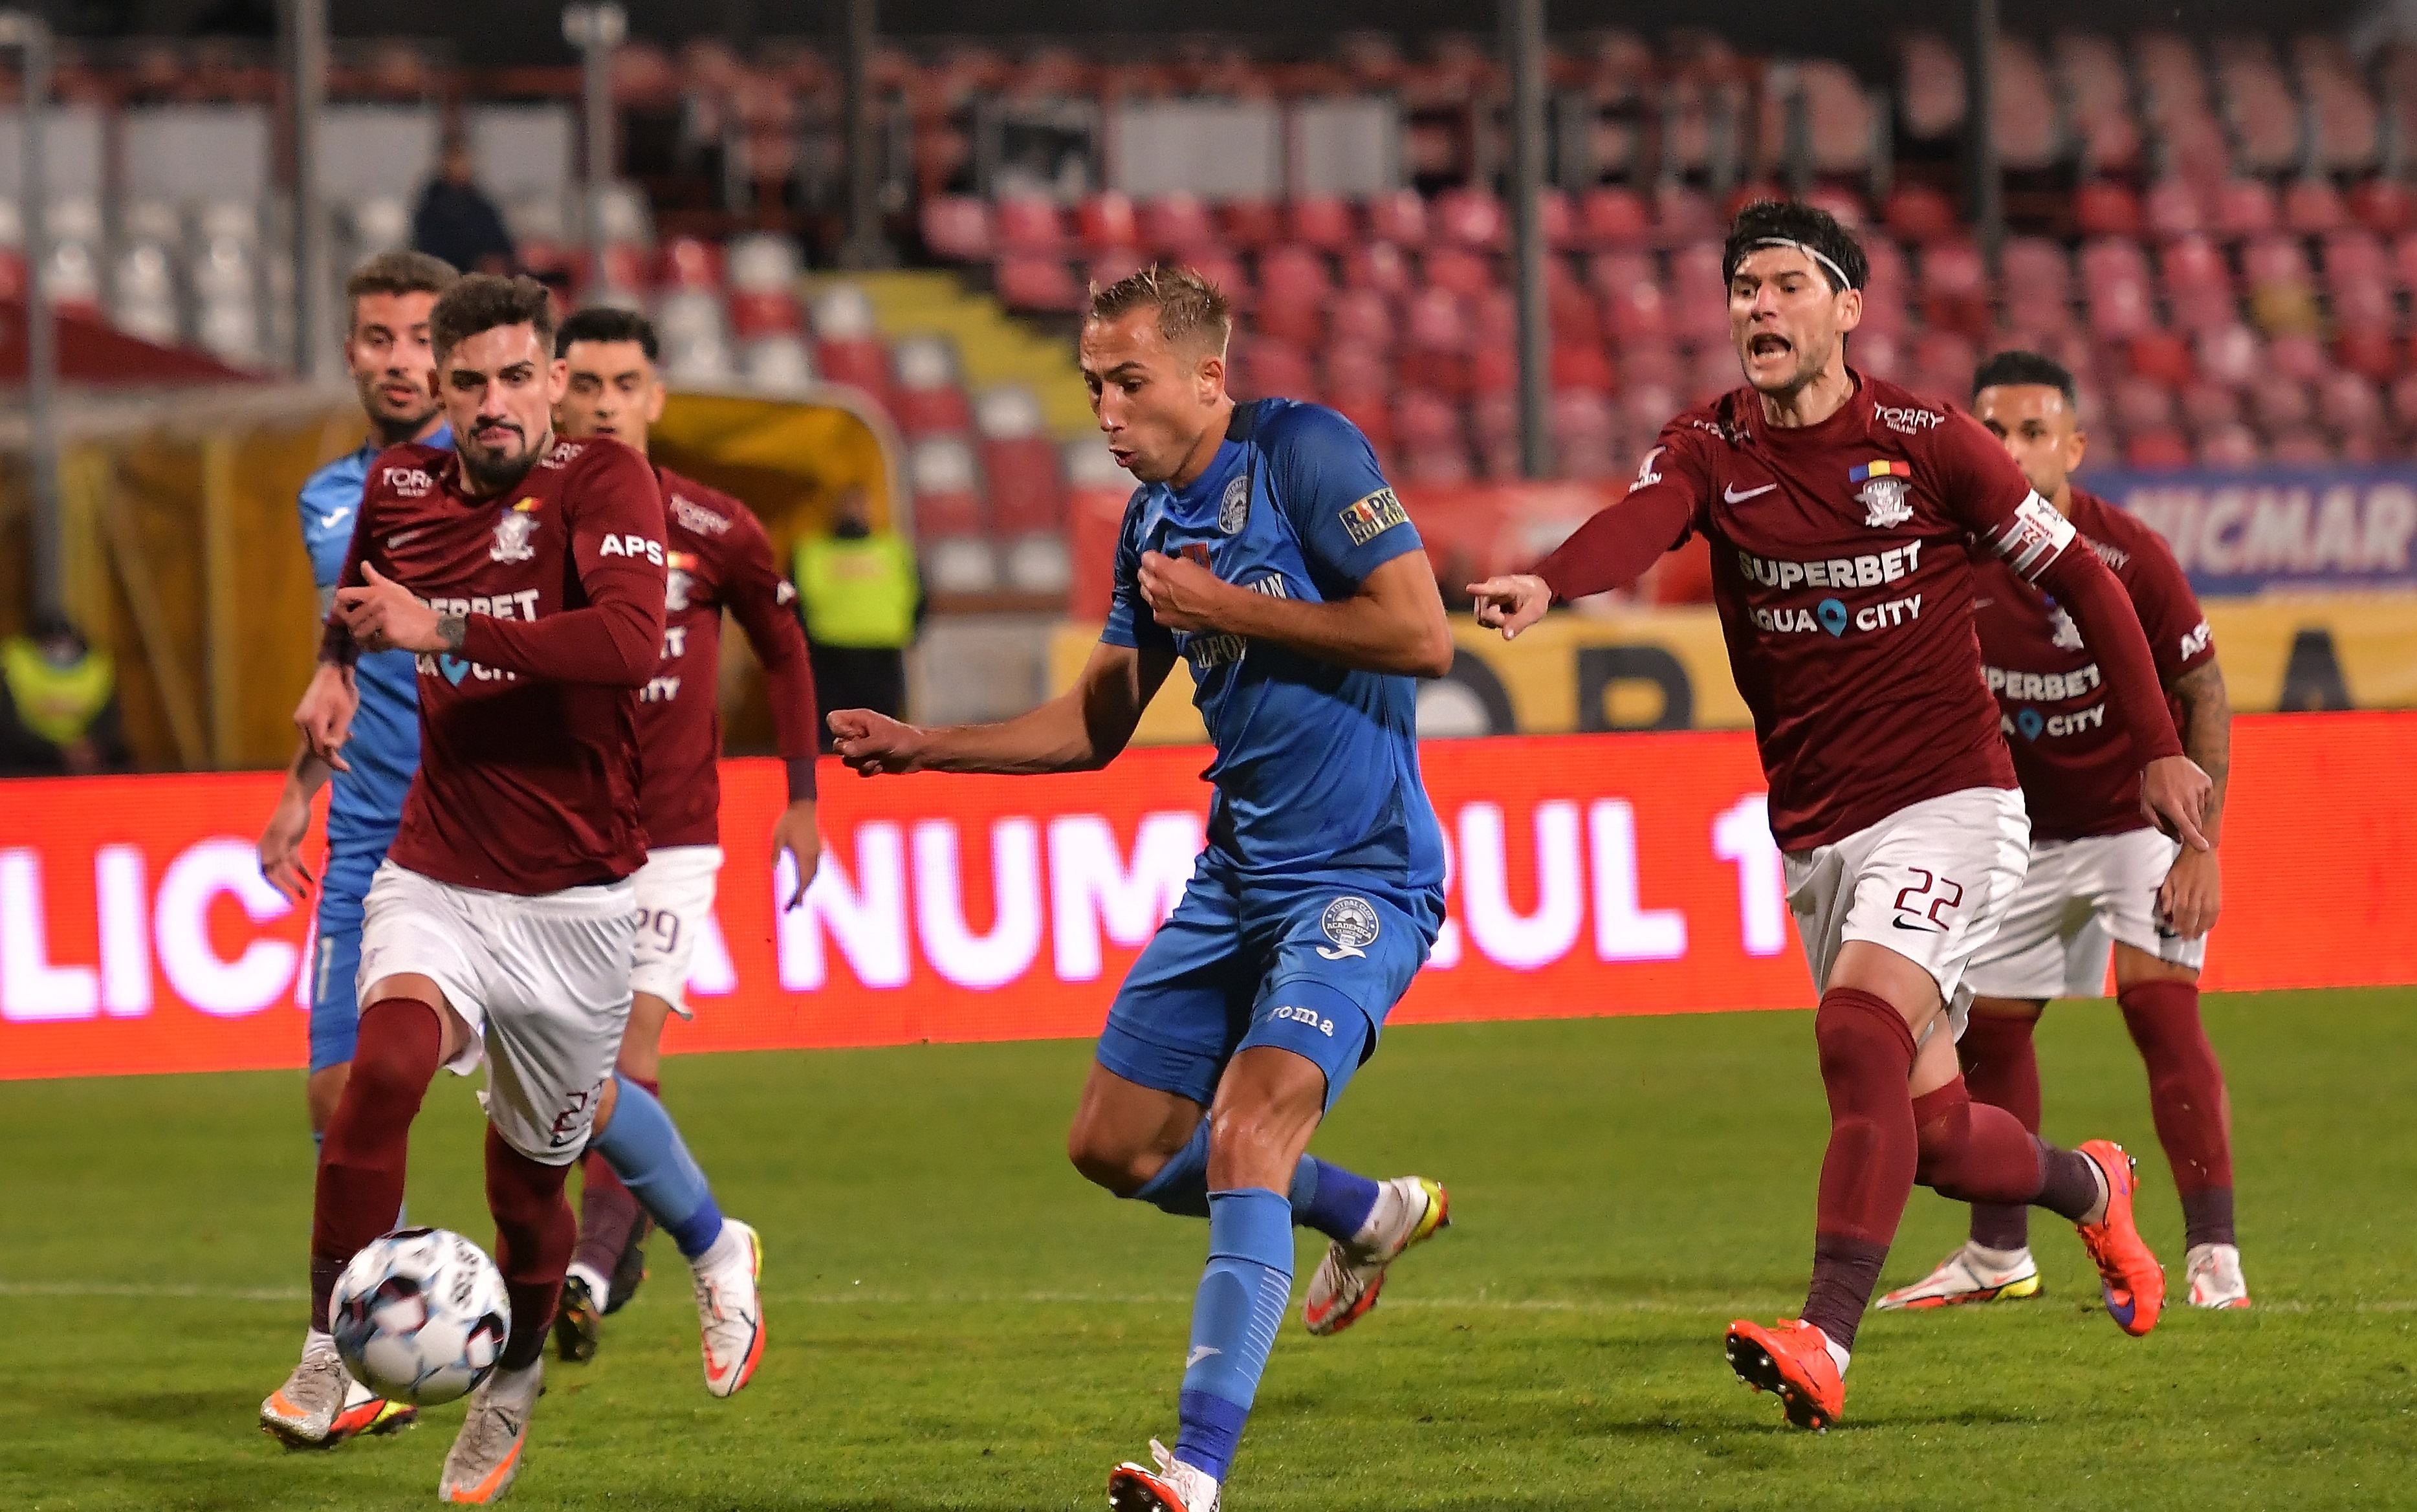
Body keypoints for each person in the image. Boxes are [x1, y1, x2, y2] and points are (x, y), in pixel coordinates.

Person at [1467, 201, 2215, 1432]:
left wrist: (2153, 749)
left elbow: (2080, 572)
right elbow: (1643, 520)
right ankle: (2092, 1183)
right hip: (1817, 826)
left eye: (1783, 286)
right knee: (1926, 1134)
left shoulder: (1933, 441)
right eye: (1742, 289)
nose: (1757, 307)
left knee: (1856, 1033)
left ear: (1845, 309)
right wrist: (1554, 578)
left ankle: (1824, 1334)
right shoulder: (1709, 447)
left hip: (1953, 800)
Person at [829, 265, 1456, 1512]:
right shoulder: (1151, 524)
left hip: (1361, 874)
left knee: (1244, 1130)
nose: (1108, 412)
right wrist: (926, 747)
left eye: (1130, 382)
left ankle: (1196, 1471)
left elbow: (1421, 636)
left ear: (1209, 378)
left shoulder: (1306, 455)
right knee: (1111, 1146)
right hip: (1235, 879)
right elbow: (1100, 725)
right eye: (1092, 388)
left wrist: (1227, 605)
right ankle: (1364, 1209)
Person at [254, 274, 745, 1504]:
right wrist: (333, 669)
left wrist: (449, 628)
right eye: (468, 380)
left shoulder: (601, 484)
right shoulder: (399, 485)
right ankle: (327, 1344)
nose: (493, 402)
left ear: (552, 380)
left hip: (581, 901)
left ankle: (514, 1373)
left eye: (517, 376)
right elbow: (365, 593)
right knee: (383, 1072)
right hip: (437, 871)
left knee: (528, 1188)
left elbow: (630, 642)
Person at [1879, 351, 2245, 1313]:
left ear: (2073, 447)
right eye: (1993, 430)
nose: (2010, 449)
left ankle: (2214, 1257)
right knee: (1993, 1030)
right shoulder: (1949, 557)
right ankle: (1999, 1256)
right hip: (2022, 833)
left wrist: (2202, 844)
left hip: (2138, 820)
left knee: (2159, 1008)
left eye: (2033, 432)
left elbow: (2203, 689)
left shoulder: (2129, 555)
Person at [545, 304, 824, 1367]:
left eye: (625, 383)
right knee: (556, 1072)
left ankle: (584, 1265)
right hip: (554, 839)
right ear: (554, 394)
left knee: (630, 1048)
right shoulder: (529, 528)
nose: (605, 402)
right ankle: (620, 1251)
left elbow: (786, 649)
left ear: (656, 397)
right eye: (586, 384)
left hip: (671, 835)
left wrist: (802, 797)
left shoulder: (711, 526)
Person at [255, 248, 459, 1447]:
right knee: (341, 1093)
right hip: (372, 835)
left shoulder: (513, 485)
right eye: (378, 339)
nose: (400, 361)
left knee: (578, 1118)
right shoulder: (327, 496)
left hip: (499, 839)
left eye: (421, 338)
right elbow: (346, 667)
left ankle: (686, 1242)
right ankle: (345, 1356)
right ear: (351, 352)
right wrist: (298, 793)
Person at [794, 485, 921, 743]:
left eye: (858, 505)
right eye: (847, 505)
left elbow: (919, 597)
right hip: (831, 656)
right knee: (834, 736)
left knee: (881, 736)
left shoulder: (893, 550)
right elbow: (794, 604)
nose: (853, 512)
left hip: (880, 655)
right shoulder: (812, 551)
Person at [0, 612, 128, 776]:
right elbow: (8, 723)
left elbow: (109, 717)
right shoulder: (15, 663)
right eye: (51, 644)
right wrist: (58, 751)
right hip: (28, 752)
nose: (60, 650)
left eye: (65, 642)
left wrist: (91, 745)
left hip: (87, 749)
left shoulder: (97, 667)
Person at [412, 134, 516, 278]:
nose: (460, 166)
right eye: (455, 160)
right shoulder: (431, 209)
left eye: (464, 159)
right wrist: (474, 262)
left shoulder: (482, 206)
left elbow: (503, 247)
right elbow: (430, 254)